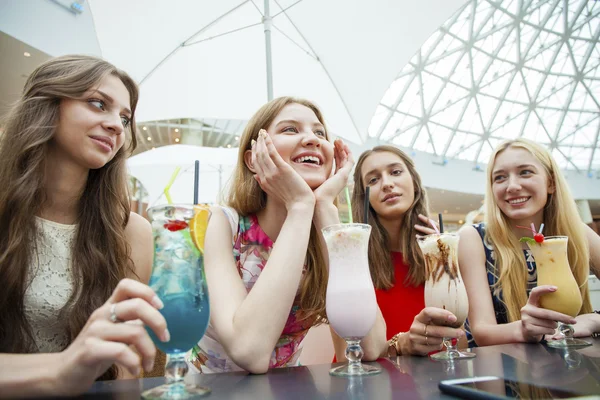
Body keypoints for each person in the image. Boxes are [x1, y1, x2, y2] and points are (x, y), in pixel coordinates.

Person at [0, 55, 168, 397]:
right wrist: (61, 369)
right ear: (47, 105)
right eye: (97, 104)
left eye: (124, 118)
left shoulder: (130, 231)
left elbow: (126, 371)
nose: (117, 126)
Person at [188, 96, 385, 374]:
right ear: (253, 158)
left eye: (319, 132)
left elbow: (370, 345)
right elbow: (250, 351)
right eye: (290, 129)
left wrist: (326, 206)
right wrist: (300, 206)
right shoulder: (222, 223)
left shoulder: (321, 230)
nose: (312, 139)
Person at [458, 138, 600, 346]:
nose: (512, 186)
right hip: (503, 370)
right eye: (500, 178)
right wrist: (523, 328)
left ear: (551, 183)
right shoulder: (473, 238)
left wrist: (596, 320)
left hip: (574, 366)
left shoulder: (576, 232)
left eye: (525, 172)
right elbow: (482, 331)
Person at [332, 145, 465, 360]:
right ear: (363, 197)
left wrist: (442, 256)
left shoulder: (444, 253)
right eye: (373, 180)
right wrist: (399, 345)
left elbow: (462, 342)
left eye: (395, 172)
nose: (387, 184)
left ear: (414, 182)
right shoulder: (349, 259)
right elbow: (345, 355)